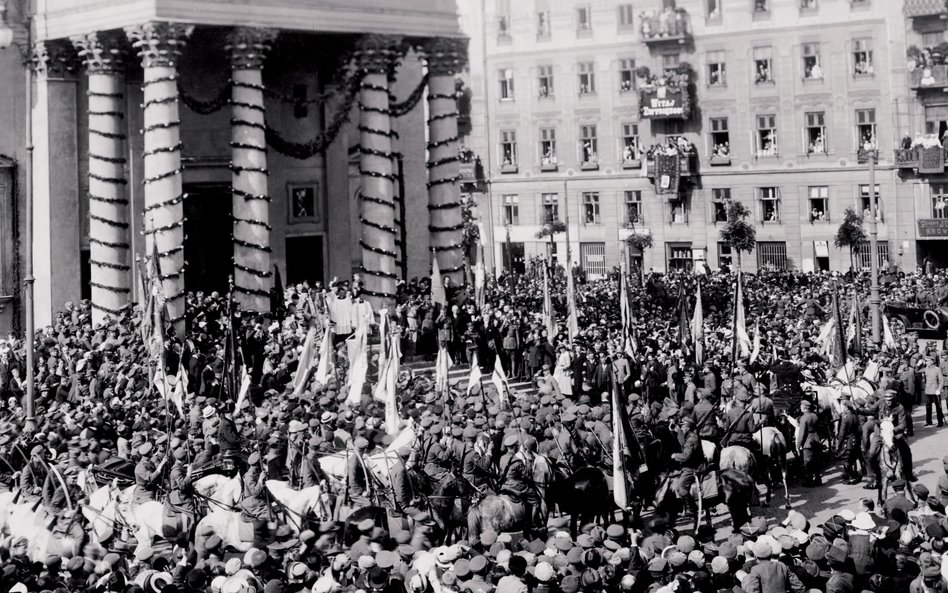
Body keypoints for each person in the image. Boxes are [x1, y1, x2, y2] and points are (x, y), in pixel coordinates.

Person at [923, 357, 944, 427]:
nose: (926, 363)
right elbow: (917, 371)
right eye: (926, 361)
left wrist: (939, 389)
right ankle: (928, 421)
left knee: (938, 407)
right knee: (928, 407)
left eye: (927, 361)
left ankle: (940, 422)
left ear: (931, 361)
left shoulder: (937, 369)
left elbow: (941, 381)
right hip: (928, 390)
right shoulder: (926, 369)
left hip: (935, 391)